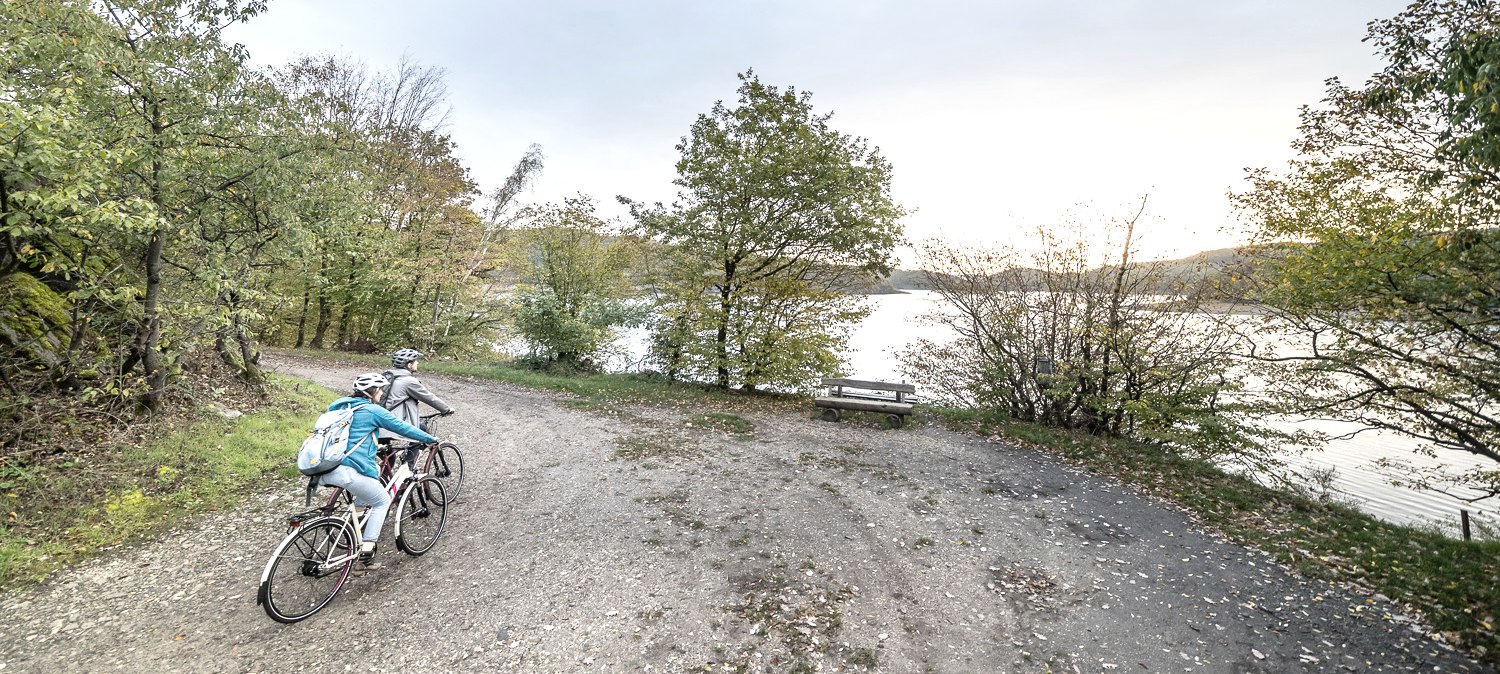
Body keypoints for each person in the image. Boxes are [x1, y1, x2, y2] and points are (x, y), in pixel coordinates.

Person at [321, 372, 439, 573]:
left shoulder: (341, 407)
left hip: (325, 467)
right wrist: (429, 439)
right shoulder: (372, 410)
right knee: (382, 500)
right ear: (373, 391)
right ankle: (366, 554)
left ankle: (355, 517)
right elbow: (402, 428)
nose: (382, 393)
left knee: (374, 471)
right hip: (348, 471)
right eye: (381, 389)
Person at [382, 348, 454, 440]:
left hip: (380, 421)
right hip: (395, 424)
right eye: (415, 361)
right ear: (409, 364)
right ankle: (412, 454)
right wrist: (446, 409)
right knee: (420, 435)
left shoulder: (387, 377)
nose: (418, 363)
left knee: (420, 428)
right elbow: (429, 397)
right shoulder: (409, 381)